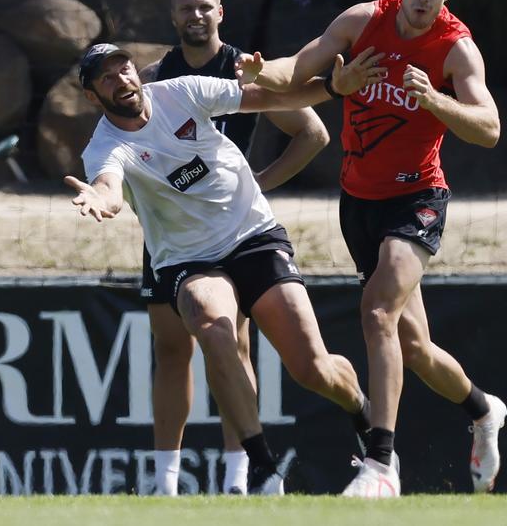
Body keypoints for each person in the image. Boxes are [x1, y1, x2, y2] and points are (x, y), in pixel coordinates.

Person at [237, 0, 507, 497]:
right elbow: (300, 68)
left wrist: (435, 100)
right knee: (414, 349)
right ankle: (483, 410)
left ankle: (380, 465)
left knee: (378, 311)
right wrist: (264, 70)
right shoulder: (363, 21)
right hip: (358, 202)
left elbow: (489, 128)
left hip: (418, 199)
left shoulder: (455, 49)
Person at [65, 41, 383, 495]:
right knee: (212, 326)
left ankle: (361, 410)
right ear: (93, 96)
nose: (123, 81)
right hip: (187, 259)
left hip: (253, 235)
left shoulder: (182, 91)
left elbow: (269, 98)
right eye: (108, 78)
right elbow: (109, 184)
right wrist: (101, 198)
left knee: (311, 369)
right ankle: (262, 466)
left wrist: (334, 87)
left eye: (125, 69)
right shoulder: (105, 146)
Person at [137, 0, 330, 496]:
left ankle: (239, 477)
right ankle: (164, 483)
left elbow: (313, 132)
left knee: (233, 342)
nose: (194, 16)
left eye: (203, 7)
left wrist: (260, 184)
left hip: (231, 232)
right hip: (172, 237)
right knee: (171, 351)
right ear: (173, 17)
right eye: (184, 9)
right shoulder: (155, 77)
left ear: (221, 11)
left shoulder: (245, 70)